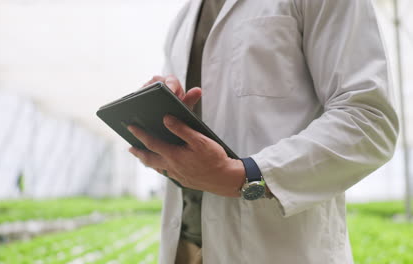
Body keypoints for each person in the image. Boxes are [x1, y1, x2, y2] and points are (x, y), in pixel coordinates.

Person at [127, 0, 399, 263]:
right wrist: (161, 115)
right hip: (185, 247)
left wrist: (246, 177)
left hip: (278, 249)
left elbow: (368, 120)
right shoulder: (185, 17)